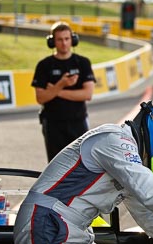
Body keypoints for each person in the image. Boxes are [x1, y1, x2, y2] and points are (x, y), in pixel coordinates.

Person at [13, 100, 153, 244]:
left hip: (74, 230)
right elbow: (150, 191)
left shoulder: (132, 166)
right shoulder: (115, 140)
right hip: (48, 222)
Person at [32, 21, 96, 162]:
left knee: (81, 164)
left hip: (78, 122)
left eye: (67, 39)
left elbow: (87, 94)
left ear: (73, 40)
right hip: (53, 123)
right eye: (59, 39)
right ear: (52, 42)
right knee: (56, 165)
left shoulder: (83, 63)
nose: (64, 43)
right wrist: (62, 84)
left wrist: (56, 91)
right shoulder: (44, 65)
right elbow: (41, 98)